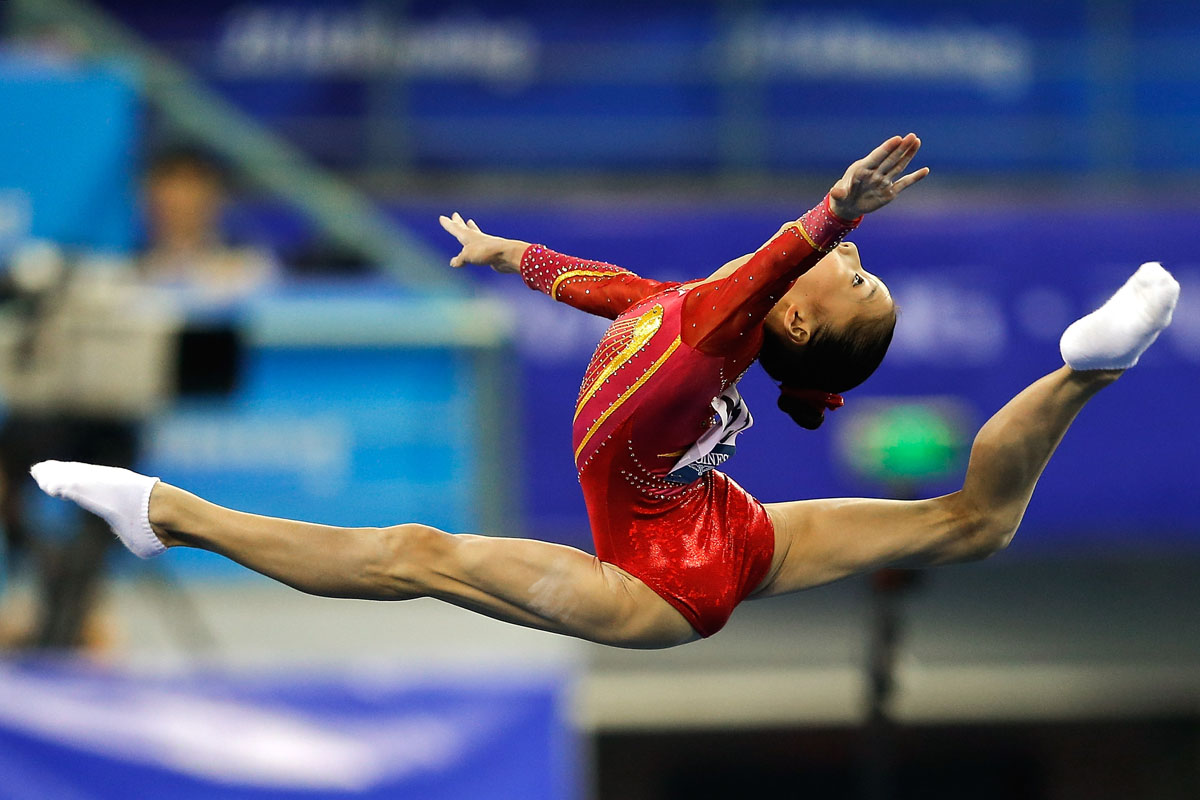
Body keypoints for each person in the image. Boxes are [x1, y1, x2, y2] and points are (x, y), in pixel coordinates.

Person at [28, 135, 1180, 649]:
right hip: (721, 529)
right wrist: (507, 254)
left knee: (411, 552)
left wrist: (840, 210)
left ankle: (165, 513)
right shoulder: (683, 316)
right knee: (967, 524)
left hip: (649, 585)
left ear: (795, 318)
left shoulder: (718, 336)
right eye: (862, 265)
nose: (845, 266)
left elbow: (767, 266)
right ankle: (1092, 367)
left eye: (850, 281)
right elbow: (609, 288)